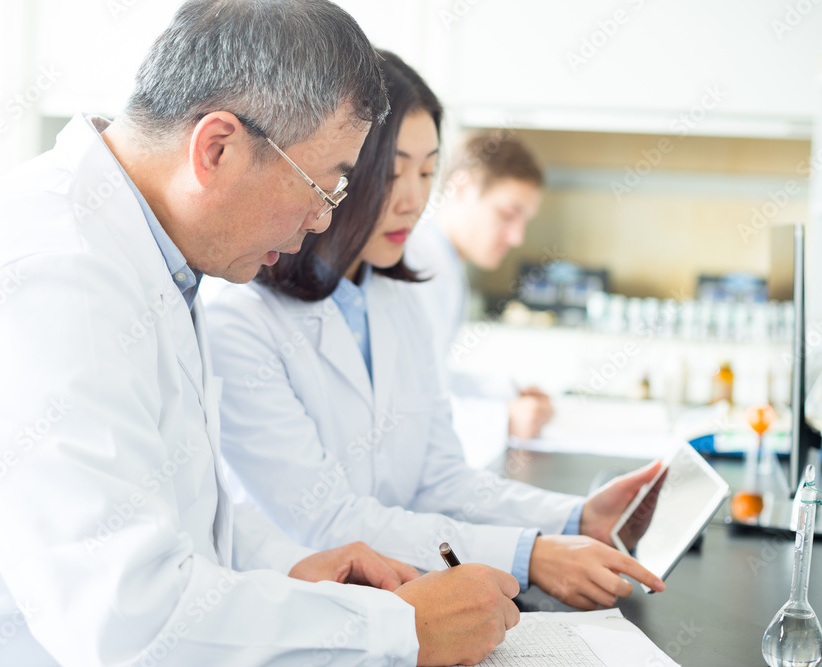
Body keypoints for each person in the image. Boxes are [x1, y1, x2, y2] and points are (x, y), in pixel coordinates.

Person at [0, 3, 520, 666]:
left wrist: (294, 565)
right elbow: (127, 615)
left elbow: (178, 506)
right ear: (216, 148)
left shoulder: (148, 251)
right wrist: (398, 629)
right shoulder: (52, 272)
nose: (319, 220)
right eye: (325, 185)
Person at [202, 50, 665, 613]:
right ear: (337, 168)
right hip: (312, 618)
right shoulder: (241, 319)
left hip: (401, 603)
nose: (414, 199)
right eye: (392, 171)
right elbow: (327, 519)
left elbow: (441, 479)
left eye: (426, 172)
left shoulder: (395, 297)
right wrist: (529, 556)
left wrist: (573, 518)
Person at [407, 133, 554, 463]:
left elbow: (433, 378)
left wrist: (508, 392)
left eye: (524, 221)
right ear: (461, 188)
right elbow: (403, 403)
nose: (517, 237)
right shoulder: (414, 264)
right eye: (507, 214)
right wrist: (505, 420)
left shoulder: (446, 266)